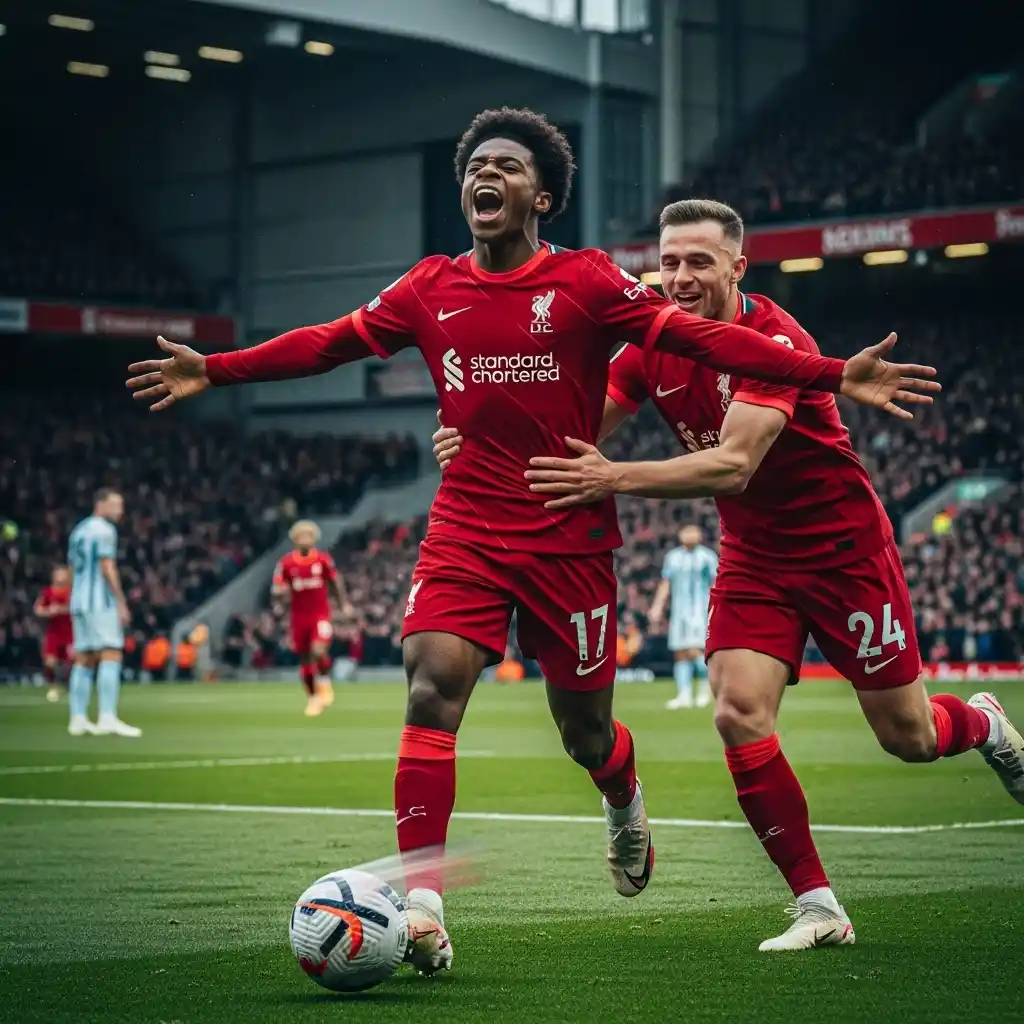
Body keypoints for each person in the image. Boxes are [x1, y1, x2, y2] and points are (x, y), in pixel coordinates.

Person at [126, 109, 939, 974]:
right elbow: (327, 344)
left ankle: (620, 787)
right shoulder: (428, 287)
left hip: (571, 541)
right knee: (431, 688)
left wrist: (826, 372)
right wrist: (214, 369)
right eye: (478, 163)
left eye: (508, 165)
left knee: (586, 733)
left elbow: (690, 339)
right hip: (468, 526)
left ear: (539, 195)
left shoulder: (588, 282)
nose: (489, 174)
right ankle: (424, 905)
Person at [433, 197, 1022, 951]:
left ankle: (984, 725)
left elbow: (734, 465)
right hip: (754, 560)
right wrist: (478, 436)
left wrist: (610, 478)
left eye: (697, 262)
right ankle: (819, 907)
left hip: (844, 555)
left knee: (908, 736)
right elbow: (573, 425)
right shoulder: (653, 346)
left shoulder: (772, 338)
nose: (677, 277)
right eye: (668, 261)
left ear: (737, 268)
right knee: (738, 712)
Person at [66, 488, 141, 737]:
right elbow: (107, 566)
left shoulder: (79, 530)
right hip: (99, 602)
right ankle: (107, 716)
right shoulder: (104, 530)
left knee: (84, 658)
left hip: (78, 600)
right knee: (110, 653)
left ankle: (78, 718)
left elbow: (71, 568)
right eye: (116, 505)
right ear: (101, 504)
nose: (120, 511)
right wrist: (120, 601)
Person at [273, 520, 351, 717]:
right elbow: (277, 588)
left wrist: (343, 605)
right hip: (298, 617)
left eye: (308, 536)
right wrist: (279, 595)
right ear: (295, 540)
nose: (305, 540)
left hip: (320, 615)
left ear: (314, 539)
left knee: (318, 650)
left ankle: (324, 682)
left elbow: (335, 582)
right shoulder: (286, 563)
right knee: (305, 658)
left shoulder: (322, 560)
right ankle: (313, 698)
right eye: (301, 536)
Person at [648, 525, 718, 709]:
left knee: (697, 651)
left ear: (700, 535)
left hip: (700, 611)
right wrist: (657, 607)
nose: (689, 535)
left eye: (693, 531)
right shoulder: (673, 557)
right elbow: (666, 584)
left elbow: (715, 584)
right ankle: (684, 694)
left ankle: (705, 690)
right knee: (680, 653)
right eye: (686, 531)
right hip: (679, 612)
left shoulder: (707, 557)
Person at [34, 564, 73, 703]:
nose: (61, 577)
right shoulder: (47, 592)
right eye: (58, 574)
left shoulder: (71, 592)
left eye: (63, 574)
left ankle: (68, 685)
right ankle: (54, 686)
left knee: (71, 662)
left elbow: (77, 608)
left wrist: (63, 609)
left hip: (70, 633)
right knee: (50, 662)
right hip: (54, 633)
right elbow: (38, 609)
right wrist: (49, 611)